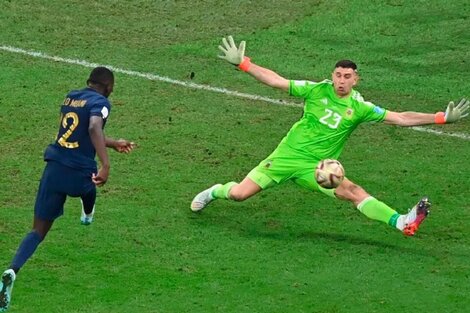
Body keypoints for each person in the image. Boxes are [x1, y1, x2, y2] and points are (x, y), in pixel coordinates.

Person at [191, 36, 469, 238]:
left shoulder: (359, 107)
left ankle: (401, 221)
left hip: (319, 168)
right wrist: (244, 64)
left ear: (356, 79)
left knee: (353, 191)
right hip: (286, 157)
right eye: (338, 75)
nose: (341, 80)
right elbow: (276, 80)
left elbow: (400, 118)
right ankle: (215, 191)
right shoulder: (316, 90)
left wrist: (441, 118)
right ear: (332, 75)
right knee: (239, 194)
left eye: (347, 76)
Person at [0, 67, 136, 312]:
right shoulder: (101, 102)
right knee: (92, 185)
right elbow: (94, 127)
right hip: (78, 171)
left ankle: (12, 270)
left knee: (37, 231)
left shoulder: (71, 97)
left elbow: (81, 129)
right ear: (108, 86)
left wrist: (113, 143)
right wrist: (106, 163)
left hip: (53, 169)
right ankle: (87, 214)